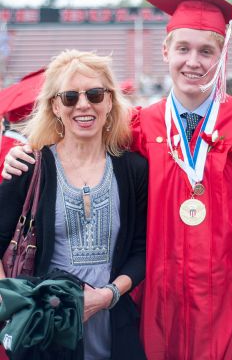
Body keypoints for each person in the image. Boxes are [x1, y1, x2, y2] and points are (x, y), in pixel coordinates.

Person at [3, 0, 232, 360]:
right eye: (183, 49)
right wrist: (23, 153)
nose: (194, 61)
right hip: (156, 308)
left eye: (206, 50)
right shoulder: (141, 127)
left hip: (230, 309)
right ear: (165, 52)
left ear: (222, 56)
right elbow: (81, 143)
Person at [0, 49, 148, 360]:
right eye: (69, 97)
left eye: (95, 94)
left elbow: (141, 249)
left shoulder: (134, 170)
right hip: (48, 327)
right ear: (55, 105)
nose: (84, 105)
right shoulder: (28, 166)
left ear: (109, 101)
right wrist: (12, 303)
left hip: (114, 324)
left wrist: (108, 296)